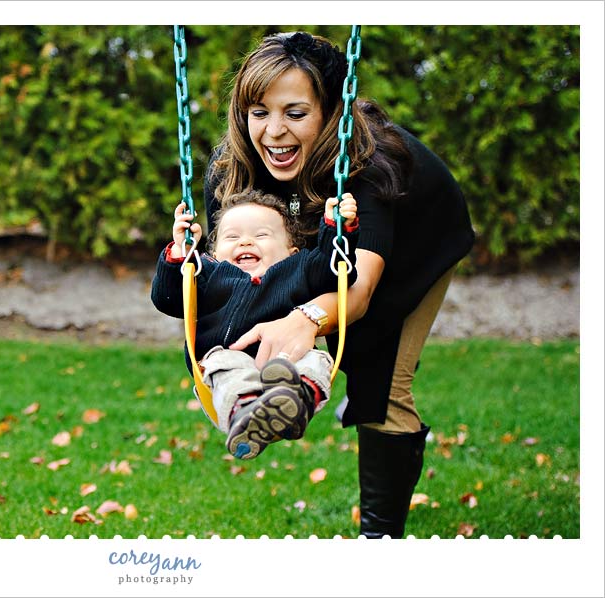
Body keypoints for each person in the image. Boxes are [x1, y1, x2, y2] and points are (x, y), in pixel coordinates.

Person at [204, 31, 475, 538]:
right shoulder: (231, 170)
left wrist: (305, 319)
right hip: (316, 248)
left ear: (330, 113)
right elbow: (231, 276)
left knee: (383, 384)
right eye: (258, 111)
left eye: (295, 113)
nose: (274, 132)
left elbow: (363, 286)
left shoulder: (368, 169)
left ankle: (379, 538)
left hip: (413, 248)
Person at [151, 188, 358, 460]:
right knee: (223, 365)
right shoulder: (209, 274)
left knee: (316, 360)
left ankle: (298, 398)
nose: (245, 242)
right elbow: (167, 299)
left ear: (290, 251)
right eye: (232, 237)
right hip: (227, 357)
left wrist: (336, 229)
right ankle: (247, 413)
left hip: (288, 361)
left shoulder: (299, 269)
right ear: (213, 252)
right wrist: (181, 254)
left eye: (261, 235)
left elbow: (335, 271)